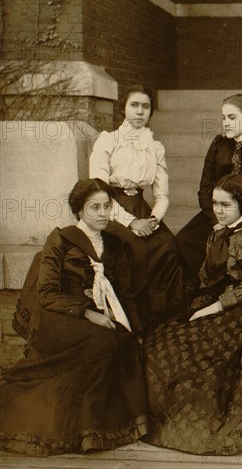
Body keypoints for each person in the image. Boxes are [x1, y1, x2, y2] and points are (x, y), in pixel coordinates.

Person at [0, 179, 148, 455]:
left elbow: (125, 295)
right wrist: (87, 313)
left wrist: (136, 331)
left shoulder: (115, 245)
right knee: (104, 342)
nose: (103, 213)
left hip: (100, 316)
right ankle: (82, 427)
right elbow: (46, 294)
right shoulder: (61, 238)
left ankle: (92, 429)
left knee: (123, 343)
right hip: (61, 316)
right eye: (95, 208)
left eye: (107, 206)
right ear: (79, 210)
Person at [142, 173, 242, 456]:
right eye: (215, 203)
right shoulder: (215, 234)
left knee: (202, 353)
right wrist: (197, 305)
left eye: (225, 204)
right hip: (212, 302)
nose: (218, 210)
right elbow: (204, 277)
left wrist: (214, 307)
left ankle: (200, 424)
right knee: (159, 342)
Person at [89, 85, 184, 331]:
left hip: (142, 209)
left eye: (145, 106)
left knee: (167, 246)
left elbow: (162, 194)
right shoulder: (107, 140)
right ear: (123, 108)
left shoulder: (155, 147)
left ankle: (158, 319)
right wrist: (131, 223)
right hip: (109, 209)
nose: (140, 112)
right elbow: (98, 190)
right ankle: (131, 320)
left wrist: (153, 219)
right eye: (134, 105)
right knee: (136, 248)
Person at [176, 93, 242, 275]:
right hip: (218, 215)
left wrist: (239, 222)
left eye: (232, 117)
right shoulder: (218, 145)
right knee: (184, 240)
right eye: (224, 118)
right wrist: (216, 221)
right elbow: (205, 188)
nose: (226, 123)